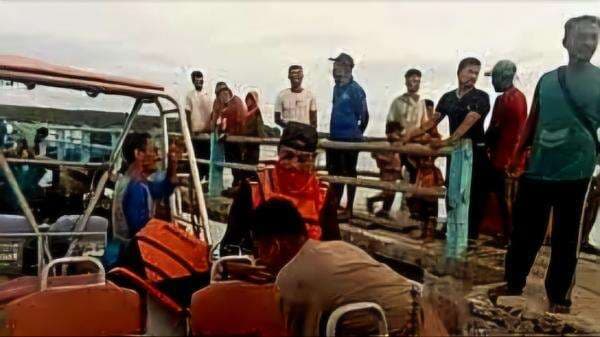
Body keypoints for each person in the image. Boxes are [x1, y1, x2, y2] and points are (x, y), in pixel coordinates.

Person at [500, 15, 600, 313]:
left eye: (593, 37)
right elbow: (533, 121)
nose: (587, 42)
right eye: (581, 36)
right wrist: (517, 156)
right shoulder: (547, 80)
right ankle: (513, 282)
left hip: (577, 170)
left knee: (567, 238)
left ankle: (559, 297)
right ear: (565, 41)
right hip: (538, 167)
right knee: (524, 232)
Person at [248, 198, 422, 336]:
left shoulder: (291, 278)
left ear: (274, 246)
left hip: (399, 329)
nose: (258, 258)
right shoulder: (339, 247)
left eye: (258, 249)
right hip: (423, 313)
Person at [220, 122, 339, 256]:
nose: (294, 164)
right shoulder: (255, 186)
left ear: (313, 160)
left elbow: (333, 247)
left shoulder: (323, 193)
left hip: (307, 270)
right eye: (288, 156)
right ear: (278, 152)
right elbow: (231, 241)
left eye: (302, 159)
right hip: (260, 269)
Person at [407, 57, 491, 240]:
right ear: (459, 72)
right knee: (451, 190)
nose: (473, 76)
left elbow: (469, 121)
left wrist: (447, 141)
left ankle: (470, 236)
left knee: (472, 194)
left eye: (476, 73)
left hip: (475, 151)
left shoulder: (481, 97)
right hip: (455, 152)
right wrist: (408, 136)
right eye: (470, 71)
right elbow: (432, 121)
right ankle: (449, 229)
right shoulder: (448, 98)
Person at [106, 132, 180, 267]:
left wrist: (172, 166)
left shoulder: (131, 180)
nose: (158, 157)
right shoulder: (135, 187)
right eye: (153, 151)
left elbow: (160, 190)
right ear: (138, 154)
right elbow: (140, 229)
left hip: (125, 247)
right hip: (129, 255)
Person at [483, 60, 527, 241]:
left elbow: (494, 129)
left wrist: (482, 144)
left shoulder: (507, 99)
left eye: (494, 77)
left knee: (505, 199)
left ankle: (509, 236)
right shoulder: (518, 97)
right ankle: (507, 234)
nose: (492, 82)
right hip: (512, 157)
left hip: (505, 158)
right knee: (506, 198)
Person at [326, 53, 369, 219]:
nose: (334, 71)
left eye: (337, 67)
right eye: (334, 67)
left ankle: (349, 208)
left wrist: (355, 135)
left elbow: (364, 116)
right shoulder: (336, 88)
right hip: (335, 138)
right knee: (334, 173)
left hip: (350, 139)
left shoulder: (356, 90)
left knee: (349, 172)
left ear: (347, 68)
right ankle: (335, 205)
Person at [210, 82, 247, 192]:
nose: (222, 95)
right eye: (219, 93)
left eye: (224, 92)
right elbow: (215, 123)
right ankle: (235, 185)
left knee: (238, 163)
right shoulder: (221, 106)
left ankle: (240, 186)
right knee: (231, 162)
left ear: (228, 91)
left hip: (238, 140)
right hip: (227, 140)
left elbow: (241, 121)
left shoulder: (236, 102)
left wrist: (230, 133)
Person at [366, 122, 402, 219]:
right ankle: (372, 200)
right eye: (396, 133)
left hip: (395, 171)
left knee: (391, 192)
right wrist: (384, 159)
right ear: (389, 133)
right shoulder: (384, 145)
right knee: (387, 192)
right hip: (387, 171)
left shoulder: (398, 145)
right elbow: (375, 154)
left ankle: (385, 210)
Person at [185, 70, 213, 180]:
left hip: (207, 135)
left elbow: (212, 114)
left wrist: (210, 128)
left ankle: (206, 184)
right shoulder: (189, 96)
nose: (199, 83)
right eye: (196, 81)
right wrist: (188, 131)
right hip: (195, 134)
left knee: (207, 162)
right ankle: (197, 184)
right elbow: (187, 113)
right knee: (196, 161)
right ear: (193, 81)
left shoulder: (208, 95)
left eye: (201, 81)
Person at [242, 91, 263, 181]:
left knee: (252, 164)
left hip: (254, 142)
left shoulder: (256, 111)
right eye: (247, 99)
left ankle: (253, 187)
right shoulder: (246, 112)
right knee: (245, 164)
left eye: (250, 99)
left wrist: (260, 137)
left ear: (254, 100)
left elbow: (260, 126)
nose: (248, 101)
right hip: (246, 142)